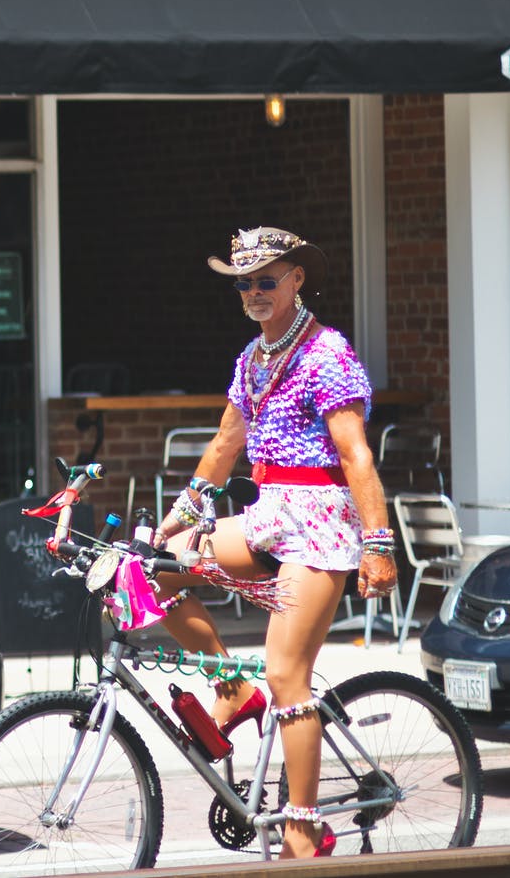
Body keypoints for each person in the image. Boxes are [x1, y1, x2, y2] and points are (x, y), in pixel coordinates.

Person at [151, 226, 398, 859]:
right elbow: (224, 445)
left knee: (289, 673)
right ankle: (232, 686)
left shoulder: (327, 354)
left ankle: (303, 829)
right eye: (244, 282)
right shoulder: (253, 357)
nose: (254, 292)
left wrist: (379, 544)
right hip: (269, 514)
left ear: (296, 280)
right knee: (151, 573)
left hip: (319, 521)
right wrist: (179, 517)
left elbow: (356, 456)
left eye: (267, 279)